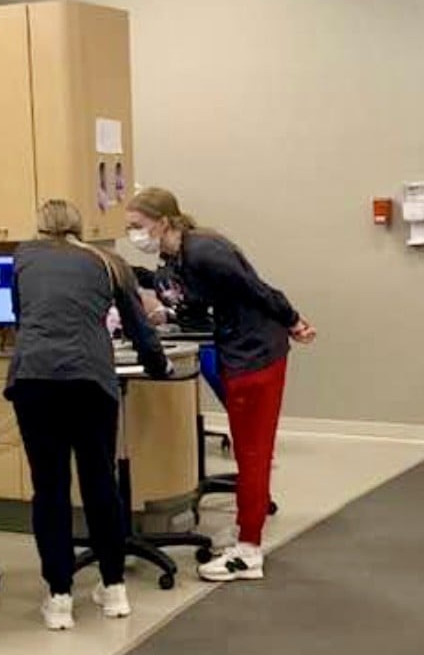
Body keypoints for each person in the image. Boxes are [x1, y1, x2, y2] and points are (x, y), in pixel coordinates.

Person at [126, 187, 316, 582]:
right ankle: (248, 531)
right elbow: (189, 299)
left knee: (252, 453)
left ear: (163, 222)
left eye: (137, 226)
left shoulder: (206, 251)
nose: (134, 235)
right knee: (250, 449)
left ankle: (248, 552)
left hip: (256, 355)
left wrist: (293, 320)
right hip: (239, 350)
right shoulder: (177, 256)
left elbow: (258, 290)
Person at [5, 199, 171, 630]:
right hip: (91, 382)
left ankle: (59, 597)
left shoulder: (23, 256)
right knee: (100, 483)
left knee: (50, 487)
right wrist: (158, 366)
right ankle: (114, 589)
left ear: (40, 227)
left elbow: (22, 315)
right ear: (80, 227)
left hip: (35, 380)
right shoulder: (108, 261)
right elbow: (137, 325)